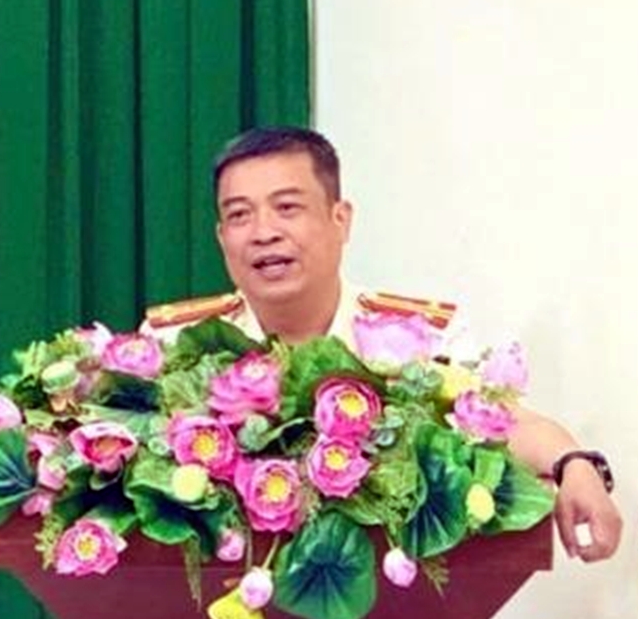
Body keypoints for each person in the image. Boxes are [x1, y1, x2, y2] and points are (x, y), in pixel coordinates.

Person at [146, 125, 622, 563]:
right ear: (221, 237)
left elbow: (499, 423)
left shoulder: (414, 338)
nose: (264, 232)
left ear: (340, 219)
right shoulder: (171, 344)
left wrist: (573, 463)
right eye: (239, 215)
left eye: (287, 208)